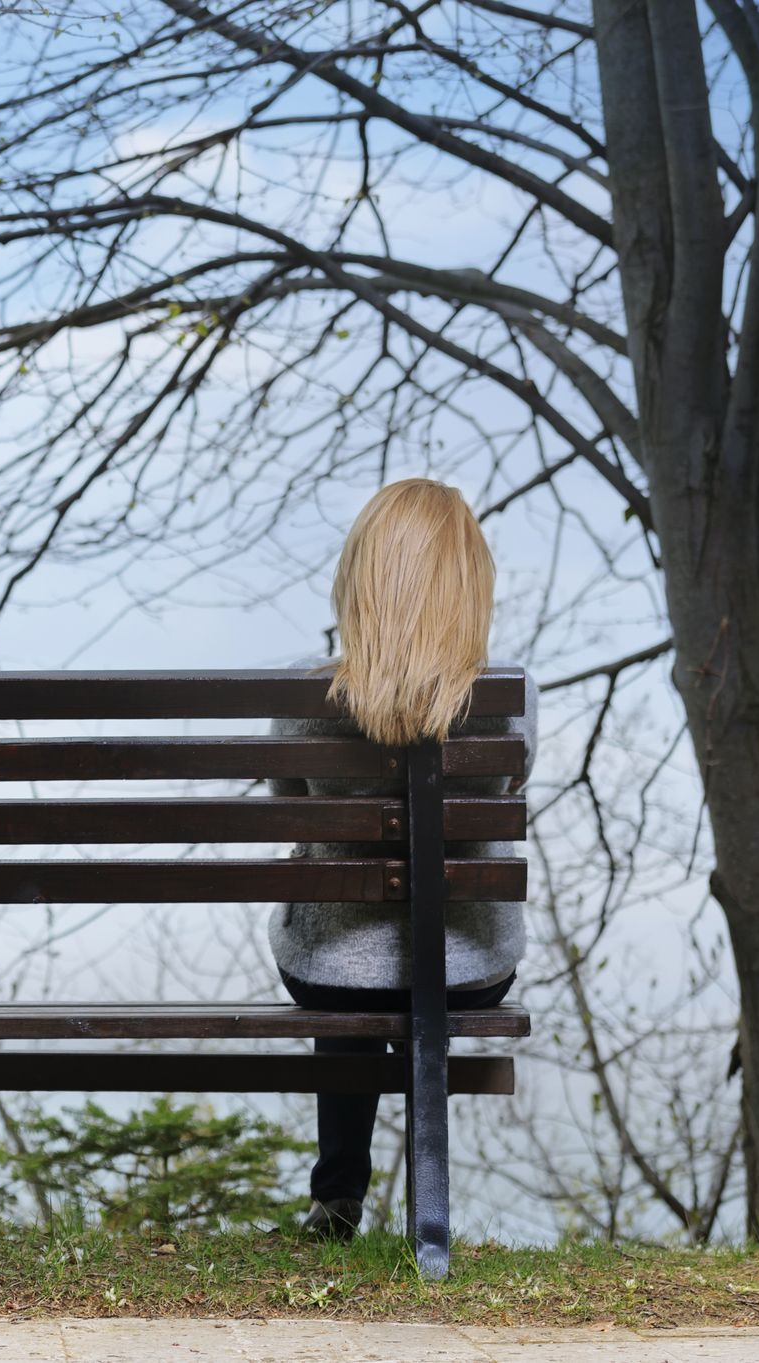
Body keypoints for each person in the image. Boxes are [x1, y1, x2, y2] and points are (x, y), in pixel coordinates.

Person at [266, 478, 536, 1240]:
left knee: (344, 967)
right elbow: (512, 785)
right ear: (466, 584)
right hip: (466, 969)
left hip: (328, 966)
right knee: (395, 968)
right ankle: (429, 1203)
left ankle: (336, 1192)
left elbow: (288, 797)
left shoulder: (301, 697)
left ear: (360, 578)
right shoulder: (510, 696)